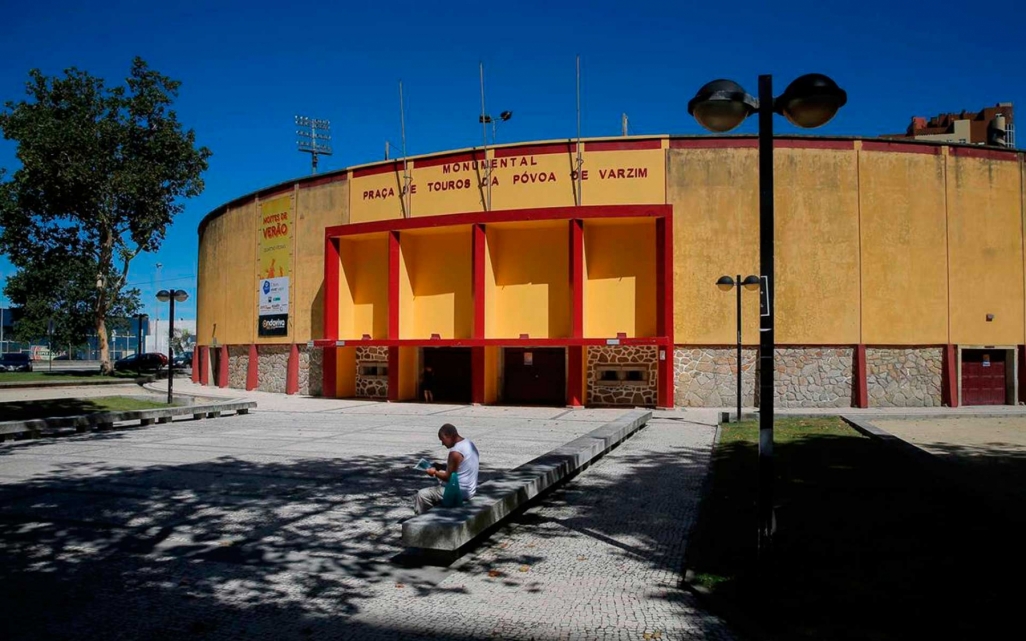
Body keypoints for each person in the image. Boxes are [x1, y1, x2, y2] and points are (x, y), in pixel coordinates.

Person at [414, 423, 479, 515]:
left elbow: (448, 477)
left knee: (422, 495)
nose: (442, 443)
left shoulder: (455, 452)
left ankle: (421, 522)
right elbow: (461, 467)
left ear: (450, 436)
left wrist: (434, 472)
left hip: (459, 492)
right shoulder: (469, 443)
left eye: (443, 440)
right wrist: (441, 467)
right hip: (470, 489)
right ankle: (435, 515)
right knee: (437, 485)